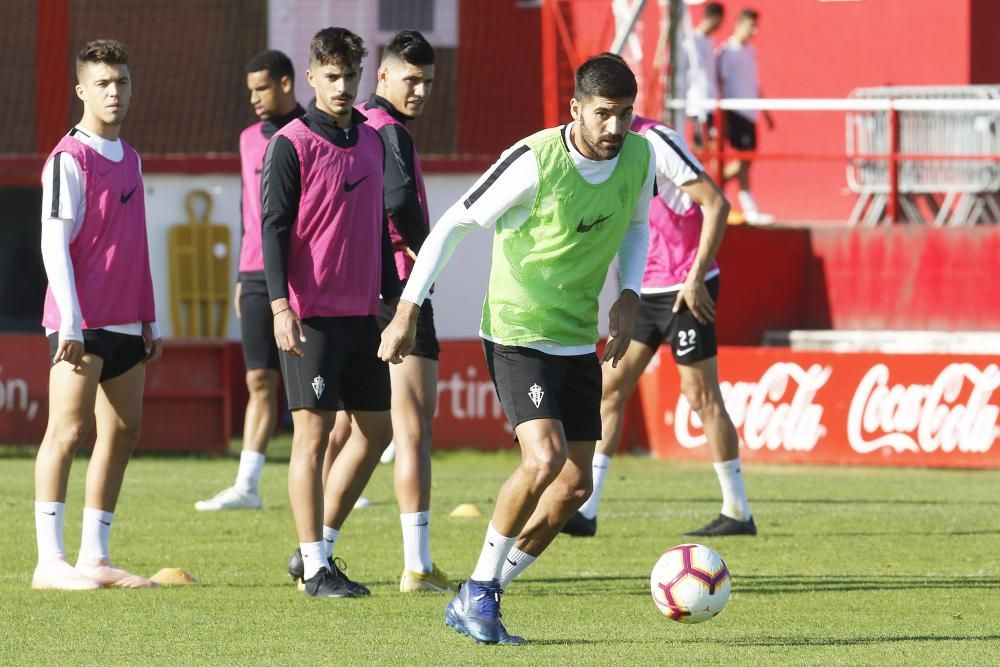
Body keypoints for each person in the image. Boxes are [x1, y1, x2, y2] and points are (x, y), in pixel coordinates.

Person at [380, 55, 655, 644]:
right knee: (544, 457)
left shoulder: (639, 154)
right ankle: (479, 593)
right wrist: (408, 308)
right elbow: (451, 224)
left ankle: (480, 590)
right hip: (517, 329)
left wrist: (628, 295)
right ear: (576, 108)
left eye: (626, 114)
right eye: (604, 114)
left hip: (579, 336)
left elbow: (636, 225)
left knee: (575, 488)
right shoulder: (534, 161)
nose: (616, 128)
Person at [559, 112, 756, 539]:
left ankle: (738, 510)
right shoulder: (601, 149)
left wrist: (695, 276)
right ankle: (587, 510)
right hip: (644, 290)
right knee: (609, 387)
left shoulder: (657, 141)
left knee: (700, 395)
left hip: (688, 286)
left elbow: (717, 203)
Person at [260, 27, 400, 599]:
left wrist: (393, 302)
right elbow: (272, 227)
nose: (343, 87)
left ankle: (318, 547)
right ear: (312, 77)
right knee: (311, 437)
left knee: (376, 429)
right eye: (332, 76)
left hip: (363, 314)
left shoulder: (372, 140)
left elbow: (377, 229)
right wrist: (279, 306)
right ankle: (317, 571)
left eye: (351, 76)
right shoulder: (290, 143)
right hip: (310, 315)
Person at [32, 39, 161, 590]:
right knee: (66, 432)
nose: (115, 92)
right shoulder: (69, 158)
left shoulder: (130, 157)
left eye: (123, 82)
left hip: (128, 321)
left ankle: (94, 557)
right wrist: (69, 322)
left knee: (124, 430)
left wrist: (149, 315)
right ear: (82, 90)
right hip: (80, 325)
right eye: (104, 83)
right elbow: (52, 242)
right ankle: (49, 561)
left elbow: (133, 243)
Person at [353, 29, 450, 592]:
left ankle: (316, 549)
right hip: (400, 291)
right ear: (383, 76)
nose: (420, 90)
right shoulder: (389, 133)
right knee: (412, 429)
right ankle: (417, 564)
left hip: (358, 292)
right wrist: (429, 249)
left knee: (353, 430)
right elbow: (397, 203)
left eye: (428, 82)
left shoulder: (356, 127)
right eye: (411, 79)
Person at [195, 50, 304, 512]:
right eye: (250, 91)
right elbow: (248, 211)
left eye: (261, 88)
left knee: (315, 384)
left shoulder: (311, 131)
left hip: (304, 274)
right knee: (259, 379)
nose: (254, 98)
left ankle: (334, 475)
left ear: (285, 83)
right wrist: (242, 276)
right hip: (256, 273)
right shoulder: (245, 140)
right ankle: (248, 485)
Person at [717, 7, 775, 224]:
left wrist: (765, 112)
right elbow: (720, 83)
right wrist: (723, 116)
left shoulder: (750, 50)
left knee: (747, 161)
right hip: (735, 112)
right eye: (752, 26)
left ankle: (714, 186)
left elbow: (753, 83)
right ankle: (747, 207)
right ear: (740, 24)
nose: (754, 31)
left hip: (751, 112)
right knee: (743, 161)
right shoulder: (726, 51)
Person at [683, 2, 724, 150]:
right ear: (714, 17)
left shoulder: (710, 41)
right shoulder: (690, 40)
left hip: (710, 103)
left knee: (713, 149)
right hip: (696, 104)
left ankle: (711, 174)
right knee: (699, 149)